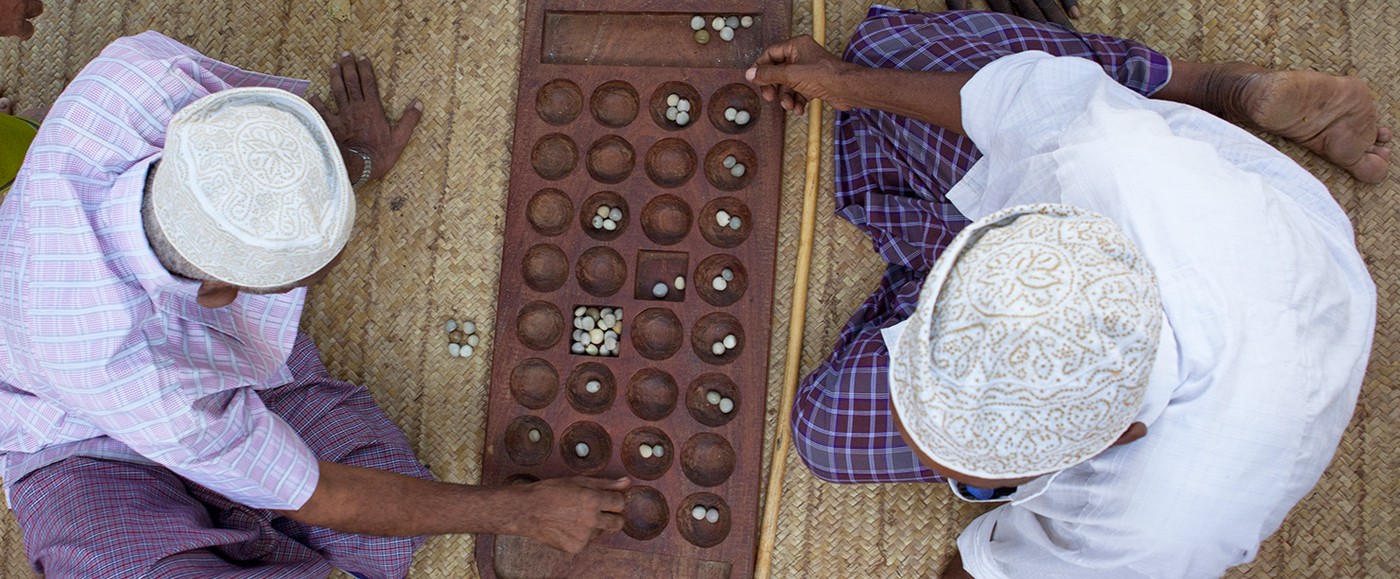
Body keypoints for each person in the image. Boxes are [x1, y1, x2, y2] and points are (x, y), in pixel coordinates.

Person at [748, 5, 1386, 578]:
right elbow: (1016, 97)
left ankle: (926, 249)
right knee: (880, 62)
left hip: (1270, 289)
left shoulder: (1141, 537)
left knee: (827, 432)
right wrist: (841, 80)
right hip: (1257, 232)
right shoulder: (1099, 165)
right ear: (1029, 235)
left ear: (1111, 441)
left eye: (967, 465)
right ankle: (1223, 89)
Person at [0, 31, 627, 577]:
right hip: (74, 437)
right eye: (297, 274)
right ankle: (229, 498)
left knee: (386, 547)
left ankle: (238, 494)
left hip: (191, 384)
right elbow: (321, 493)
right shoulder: (130, 372)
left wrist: (347, 164)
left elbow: (251, 147)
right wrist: (520, 513)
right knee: (118, 563)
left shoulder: (140, 76)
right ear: (221, 293)